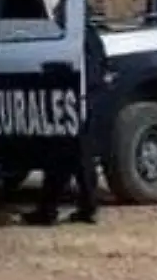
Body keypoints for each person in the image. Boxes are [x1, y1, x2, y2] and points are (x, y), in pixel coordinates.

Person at [24, 18, 108, 225]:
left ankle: (48, 211)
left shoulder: (75, 35)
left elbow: (83, 68)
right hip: (85, 99)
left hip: (74, 99)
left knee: (59, 155)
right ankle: (86, 208)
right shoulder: (87, 33)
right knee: (79, 157)